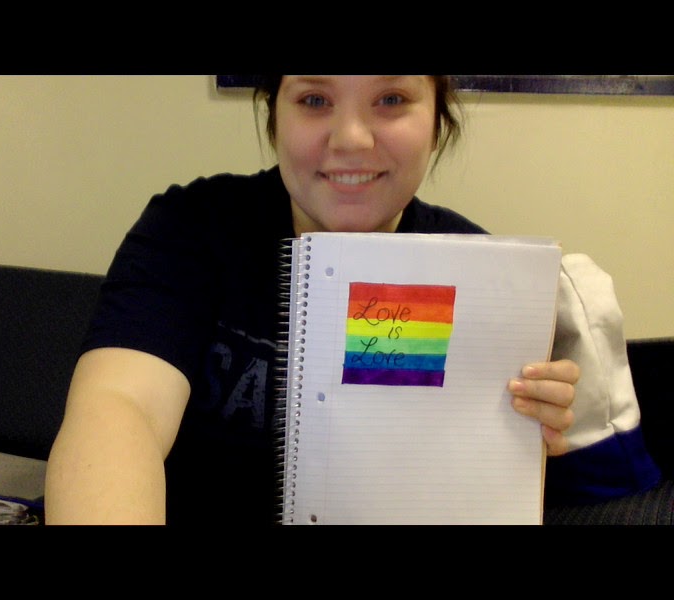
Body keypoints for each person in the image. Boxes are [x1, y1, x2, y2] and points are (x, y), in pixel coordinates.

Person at [44, 75, 659, 525]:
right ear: (274, 114)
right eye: (315, 100)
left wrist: (518, 433)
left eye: (391, 99)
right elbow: (120, 408)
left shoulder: (478, 275)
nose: (352, 138)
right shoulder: (191, 230)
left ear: (437, 118)